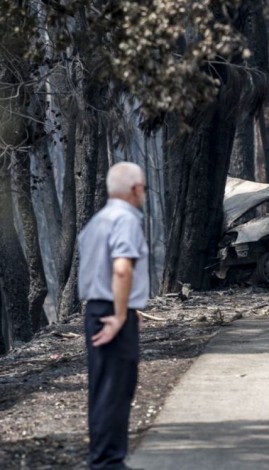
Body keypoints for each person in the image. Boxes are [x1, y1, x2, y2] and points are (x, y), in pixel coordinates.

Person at [78, 161, 149, 469]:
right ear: (135, 189)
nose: (144, 193)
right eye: (144, 187)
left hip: (97, 309)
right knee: (116, 388)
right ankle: (108, 463)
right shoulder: (126, 219)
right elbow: (121, 269)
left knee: (104, 387)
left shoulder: (97, 221)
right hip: (111, 313)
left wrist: (128, 309)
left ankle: (104, 459)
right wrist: (121, 315)